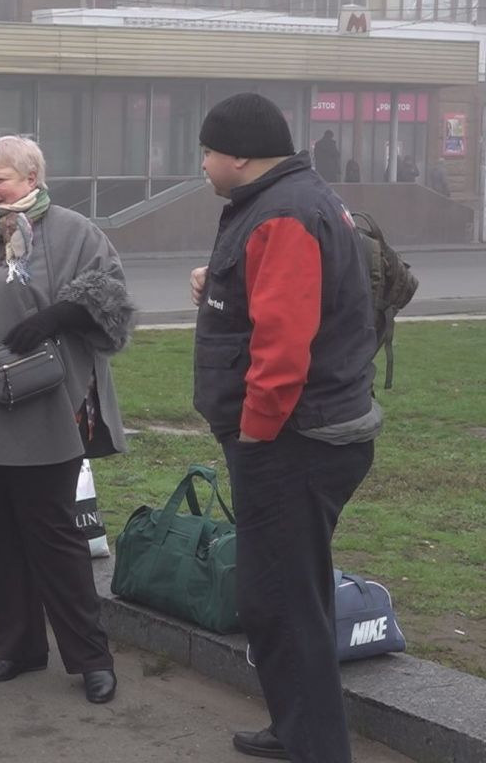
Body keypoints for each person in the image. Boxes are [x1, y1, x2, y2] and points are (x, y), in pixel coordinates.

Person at [190, 93, 379, 762]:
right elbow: (275, 298)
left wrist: (256, 433)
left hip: (291, 440)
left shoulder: (283, 212)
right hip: (303, 435)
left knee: (277, 600)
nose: (204, 164)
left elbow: (284, 345)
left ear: (239, 153)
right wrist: (216, 283)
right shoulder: (285, 200)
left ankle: (315, 746)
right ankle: (298, 725)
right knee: (295, 589)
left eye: (207, 151)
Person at [0, 135, 133, 706]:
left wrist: (59, 315)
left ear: (33, 178)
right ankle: (17, 646)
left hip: (44, 412)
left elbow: (112, 301)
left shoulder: (72, 231)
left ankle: (90, 657)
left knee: (55, 538)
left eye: (1, 179)